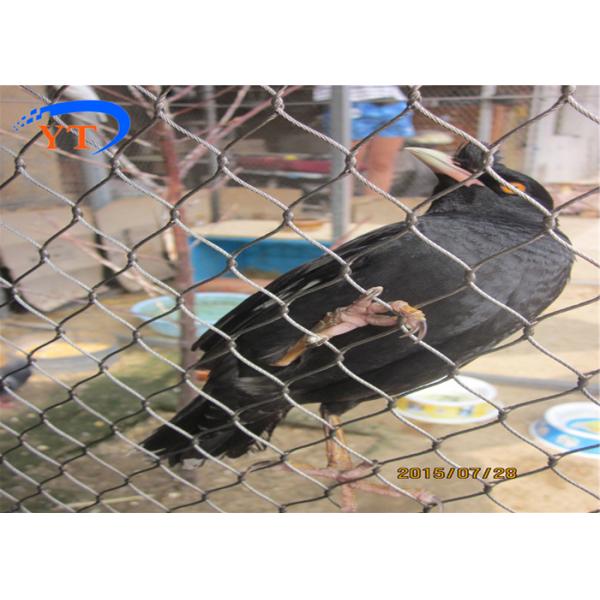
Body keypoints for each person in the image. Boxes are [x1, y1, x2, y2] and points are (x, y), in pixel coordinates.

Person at [313, 85, 416, 193]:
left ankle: (375, 203)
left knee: (382, 164)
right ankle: (342, 203)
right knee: (347, 166)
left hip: (392, 100)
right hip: (347, 100)